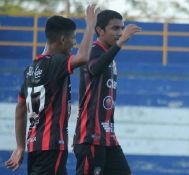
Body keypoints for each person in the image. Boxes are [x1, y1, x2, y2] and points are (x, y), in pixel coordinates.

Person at [5, 4, 98, 174]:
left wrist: (20, 147)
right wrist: (91, 25)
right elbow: (83, 57)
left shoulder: (30, 69)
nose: (75, 43)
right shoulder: (56, 62)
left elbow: (20, 110)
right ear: (62, 40)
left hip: (35, 146)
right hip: (52, 146)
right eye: (73, 38)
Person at [72, 10, 141, 175]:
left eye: (122, 28)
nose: (120, 33)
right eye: (115, 28)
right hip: (90, 136)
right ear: (99, 31)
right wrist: (120, 43)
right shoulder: (93, 50)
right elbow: (95, 68)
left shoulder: (109, 55)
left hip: (107, 136)